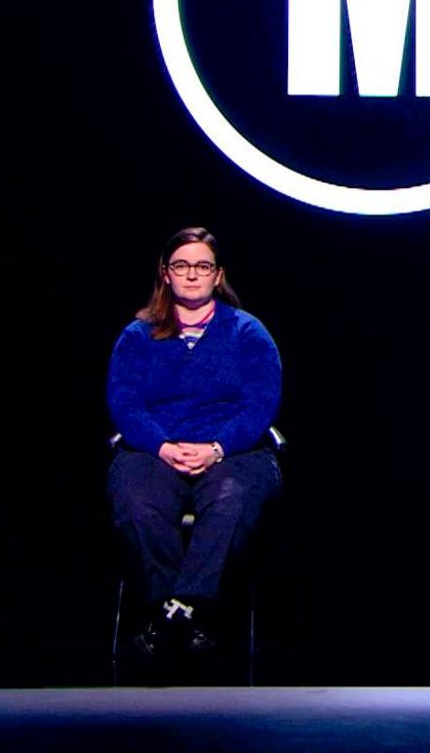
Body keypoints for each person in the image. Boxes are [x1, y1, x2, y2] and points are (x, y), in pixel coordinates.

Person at [108, 227, 282, 658]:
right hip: (156, 449)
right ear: (166, 274)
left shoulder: (247, 332)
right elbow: (125, 403)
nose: (191, 275)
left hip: (231, 451)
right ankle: (187, 618)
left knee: (231, 501)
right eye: (181, 266)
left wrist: (217, 447)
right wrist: (163, 446)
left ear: (217, 275)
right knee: (136, 501)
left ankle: (175, 614)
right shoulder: (138, 335)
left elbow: (260, 404)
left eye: (202, 266)